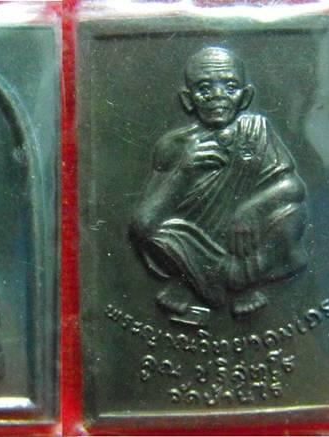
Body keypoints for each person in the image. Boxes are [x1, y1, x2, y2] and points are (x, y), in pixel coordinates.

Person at [130, 47, 309, 317]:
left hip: (246, 243)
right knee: (158, 236)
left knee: (293, 214)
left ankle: (202, 283)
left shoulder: (257, 132)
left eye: (230, 86)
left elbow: (293, 188)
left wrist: (249, 210)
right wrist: (184, 171)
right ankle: (230, 282)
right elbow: (143, 224)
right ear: (188, 99)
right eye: (204, 88)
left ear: (245, 96)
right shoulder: (174, 145)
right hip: (194, 247)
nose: (217, 95)